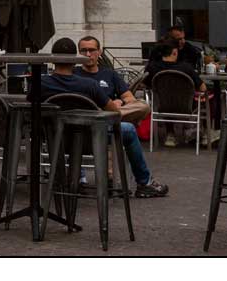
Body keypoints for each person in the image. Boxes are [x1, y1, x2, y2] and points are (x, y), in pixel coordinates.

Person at [44, 37, 169, 198]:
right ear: (76, 55)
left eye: (91, 50)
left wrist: (119, 104)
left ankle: (107, 122)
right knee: (127, 129)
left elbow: (130, 100)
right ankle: (143, 182)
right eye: (83, 51)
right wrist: (108, 110)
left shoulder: (108, 74)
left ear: (99, 52)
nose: (88, 54)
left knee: (140, 107)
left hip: (66, 131)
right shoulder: (79, 80)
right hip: (94, 128)